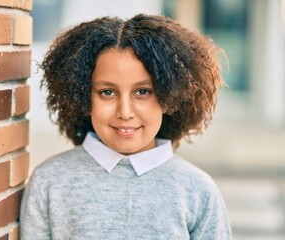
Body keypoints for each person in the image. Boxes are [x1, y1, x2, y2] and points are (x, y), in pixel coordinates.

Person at [20, 13, 232, 239]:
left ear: (169, 95)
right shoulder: (49, 182)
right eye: (107, 92)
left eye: (143, 92)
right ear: (81, 96)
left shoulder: (198, 191)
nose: (125, 112)